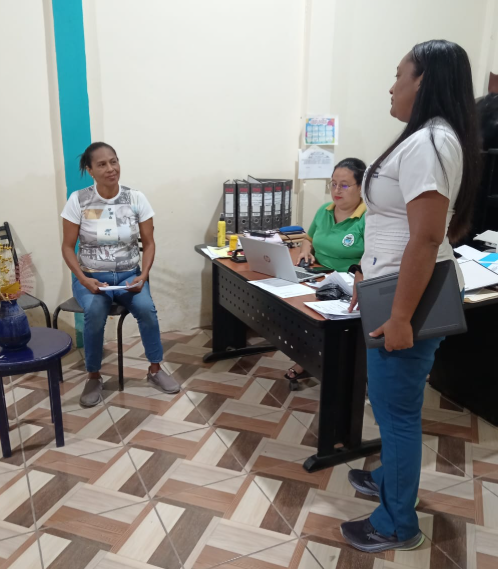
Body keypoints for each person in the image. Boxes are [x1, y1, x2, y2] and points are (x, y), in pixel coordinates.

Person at [341, 40, 480, 553]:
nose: (392, 85)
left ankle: (396, 524)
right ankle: (389, 480)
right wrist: (368, 279)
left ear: (423, 80)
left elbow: (425, 237)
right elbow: (394, 227)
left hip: (411, 298)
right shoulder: (426, 138)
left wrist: (400, 316)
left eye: (399, 74)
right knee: (392, 405)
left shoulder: (430, 142)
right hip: (395, 287)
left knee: (396, 412)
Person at [61, 142, 180, 407]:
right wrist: (83, 279)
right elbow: (67, 247)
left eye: (113, 161)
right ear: (90, 170)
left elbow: (149, 243)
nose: (110, 168)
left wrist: (143, 275)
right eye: (102, 164)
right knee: (94, 312)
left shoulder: (136, 198)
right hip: (91, 278)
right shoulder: (78, 200)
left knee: (147, 309)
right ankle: (93, 375)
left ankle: (155, 369)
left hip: (129, 277)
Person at [285, 158, 366, 382]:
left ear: (361, 187)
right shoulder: (324, 210)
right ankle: (307, 357)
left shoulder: (368, 217)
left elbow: (373, 255)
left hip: (348, 285)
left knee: (316, 314)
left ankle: (322, 362)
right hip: (317, 276)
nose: (337, 190)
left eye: (344, 185)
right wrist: (305, 251)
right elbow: (308, 238)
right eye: (333, 184)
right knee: (293, 305)